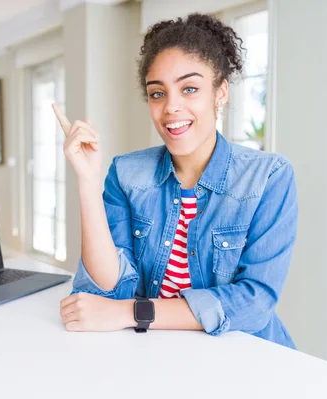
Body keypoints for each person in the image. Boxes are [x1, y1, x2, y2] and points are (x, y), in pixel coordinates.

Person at [54, 12, 298, 348]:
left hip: (245, 355)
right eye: (158, 93)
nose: (171, 107)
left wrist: (131, 313)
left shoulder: (268, 176)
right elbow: (108, 287)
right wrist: (87, 179)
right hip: (158, 355)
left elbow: (254, 303)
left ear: (220, 92)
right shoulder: (127, 173)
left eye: (190, 88)